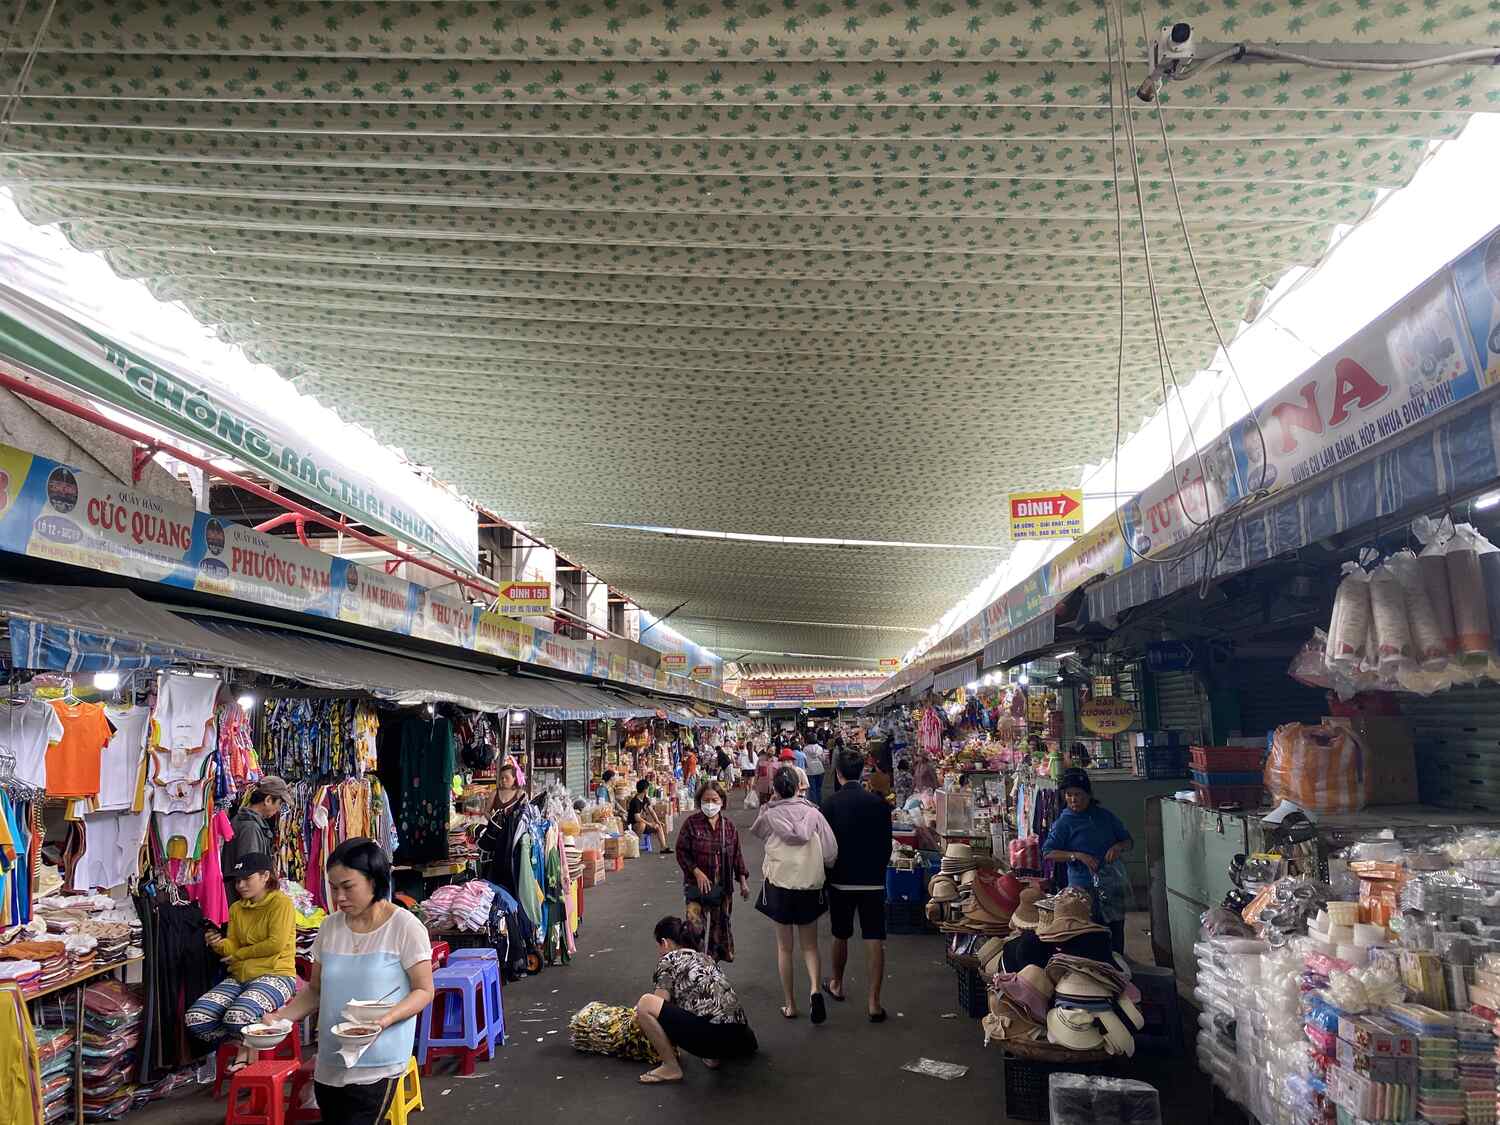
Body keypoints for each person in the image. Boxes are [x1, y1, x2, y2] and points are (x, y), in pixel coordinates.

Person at [268, 838, 434, 1125]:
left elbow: (423, 990)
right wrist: (280, 1019)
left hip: (378, 1059)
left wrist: (385, 1019)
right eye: (333, 888)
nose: (339, 897)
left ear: (374, 881)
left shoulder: (405, 927)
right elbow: (316, 990)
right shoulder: (330, 927)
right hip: (330, 1059)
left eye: (348, 887)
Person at [187, 853, 298, 1070]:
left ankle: (248, 1053)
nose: (240, 885)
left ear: (266, 876)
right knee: (196, 1019)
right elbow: (232, 946)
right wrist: (217, 943)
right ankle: (247, 1040)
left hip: (277, 975)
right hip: (240, 976)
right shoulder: (237, 908)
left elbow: (275, 945)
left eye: (247, 878)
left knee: (238, 1015)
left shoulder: (281, 903)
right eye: (238, 880)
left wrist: (238, 955)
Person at [751, 766, 838, 1023]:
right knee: (810, 946)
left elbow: (758, 832)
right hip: (808, 885)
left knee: (784, 948)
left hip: (779, 886)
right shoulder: (814, 814)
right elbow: (831, 852)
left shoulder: (769, 815)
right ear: (800, 787)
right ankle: (814, 990)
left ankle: (790, 1004)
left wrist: (769, 805)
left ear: (776, 789)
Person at [634, 916, 758, 1085]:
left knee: (645, 1004)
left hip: (711, 1036)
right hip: (740, 1034)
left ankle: (670, 1066)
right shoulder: (704, 957)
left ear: (665, 943)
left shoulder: (668, 961)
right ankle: (713, 1056)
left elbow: (659, 1005)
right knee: (706, 1008)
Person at [820, 749, 893, 1021]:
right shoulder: (879, 804)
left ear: (838, 773)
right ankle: (874, 1002)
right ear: (862, 771)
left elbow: (824, 847)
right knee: (875, 936)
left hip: (840, 880)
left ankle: (836, 984)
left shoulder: (829, 804)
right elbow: (887, 844)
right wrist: (877, 870)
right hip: (873, 880)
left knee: (840, 934)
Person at [1041, 768, 1133, 952]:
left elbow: (1128, 841)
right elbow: (1048, 852)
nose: (1073, 799)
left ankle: (1118, 970)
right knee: (1090, 934)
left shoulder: (1105, 817)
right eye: (1069, 795)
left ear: (1089, 795)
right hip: (1083, 889)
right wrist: (1076, 855)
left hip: (1111, 885)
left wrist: (1118, 847)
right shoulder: (1063, 823)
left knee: (1115, 930)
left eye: (1078, 794)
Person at [675, 780, 750, 962]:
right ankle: (693, 970)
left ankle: (712, 972)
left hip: (722, 889)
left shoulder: (729, 828)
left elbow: (737, 856)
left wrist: (743, 883)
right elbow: (681, 851)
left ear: (722, 801)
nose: (710, 804)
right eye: (706, 800)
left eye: (714, 800)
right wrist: (696, 871)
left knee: (718, 935)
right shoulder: (691, 824)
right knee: (694, 931)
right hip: (696, 887)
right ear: (700, 801)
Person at [222, 776, 291, 901]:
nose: (279, 809)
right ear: (268, 800)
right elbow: (249, 872)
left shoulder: (244, 821)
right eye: (279, 803)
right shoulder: (250, 828)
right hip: (245, 904)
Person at [475, 758, 534, 898]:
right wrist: (492, 819)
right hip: (496, 838)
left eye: (506, 778)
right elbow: (486, 811)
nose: (503, 781)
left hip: (514, 838)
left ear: (514, 778)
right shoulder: (495, 794)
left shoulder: (520, 795)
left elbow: (527, 814)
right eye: (500, 778)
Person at [627, 778, 672, 855]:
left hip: (643, 824)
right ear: (644, 790)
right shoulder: (635, 801)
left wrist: (657, 821)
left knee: (658, 826)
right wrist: (650, 824)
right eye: (647, 788)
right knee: (642, 824)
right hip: (634, 825)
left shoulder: (645, 799)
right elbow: (637, 818)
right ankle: (635, 846)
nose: (648, 790)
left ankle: (663, 847)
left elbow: (651, 811)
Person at [802, 732, 827, 805]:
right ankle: (819, 803)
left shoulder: (805, 749)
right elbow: (823, 759)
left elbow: (805, 760)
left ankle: (814, 805)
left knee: (812, 789)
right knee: (819, 789)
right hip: (820, 770)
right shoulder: (820, 748)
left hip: (810, 771)